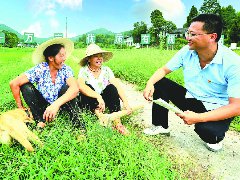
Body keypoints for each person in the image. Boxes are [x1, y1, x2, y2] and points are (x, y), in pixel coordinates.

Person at [143, 14, 240, 152]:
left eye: (193, 34)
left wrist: (198, 117)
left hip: (216, 107)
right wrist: (149, 83)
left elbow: (236, 107)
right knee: (160, 82)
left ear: (212, 36)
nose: (187, 37)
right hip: (192, 98)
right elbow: (164, 70)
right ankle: (160, 126)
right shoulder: (187, 51)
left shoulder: (233, 63)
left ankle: (215, 136)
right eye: (188, 33)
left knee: (208, 133)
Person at [9, 38, 84, 129]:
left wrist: (55, 105)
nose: (64, 58)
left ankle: (79, 128)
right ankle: (40, 120)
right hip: (43, 105)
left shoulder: (66, 69)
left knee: (67, 88)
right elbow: (14, 83)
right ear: (51, 58)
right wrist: (20, 107)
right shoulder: (41, 69)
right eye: (61, 56)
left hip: (61, 104)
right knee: (26, 86)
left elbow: (75, 89)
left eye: (64, 55)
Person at [77, 44, 135, 135]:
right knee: (88, 87)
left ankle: (117, 123)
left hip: (104, 100)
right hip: (90, 102)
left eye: (101, 56)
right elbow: (81, 86)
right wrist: (97, 96)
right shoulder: (83, 71)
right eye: (96, 56)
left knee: (111, 88)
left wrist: (126, 102)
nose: (99, 58)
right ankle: (101, 117)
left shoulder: (106, 70)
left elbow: (117, 86)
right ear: (89, 59)